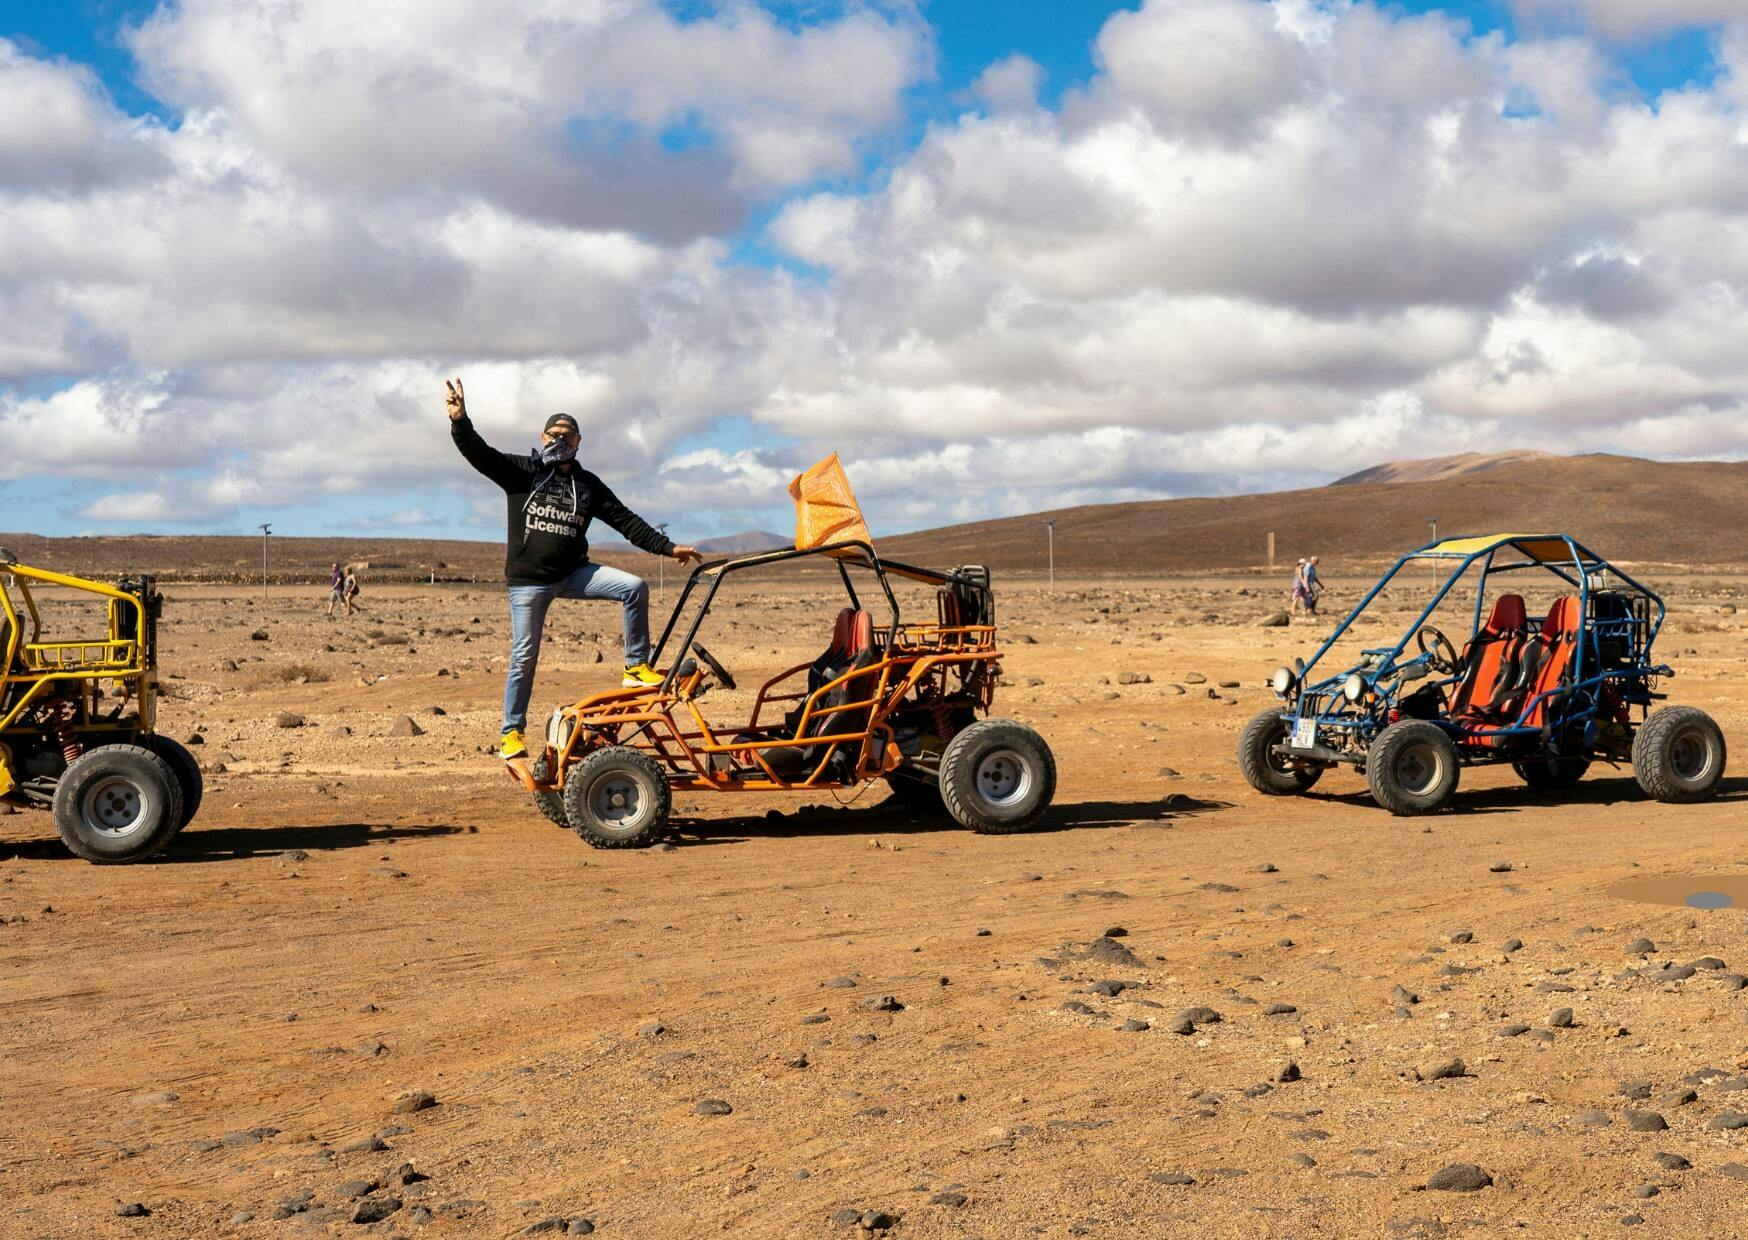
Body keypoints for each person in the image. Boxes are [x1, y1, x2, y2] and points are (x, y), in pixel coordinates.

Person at [444, 377, 701, 761]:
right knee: (524, 656)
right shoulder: (523, 471)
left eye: (568, 435)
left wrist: (667, 547)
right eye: (553, 434)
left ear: (579, 443)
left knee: (634, 587)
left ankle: (635, 667)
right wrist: (460, 420)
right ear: (543, 437)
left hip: (574, 572)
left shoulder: (588, 485)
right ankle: (511, 733)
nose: (560, 439)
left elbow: (626, 521)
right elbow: (479, 453)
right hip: (529, 582)